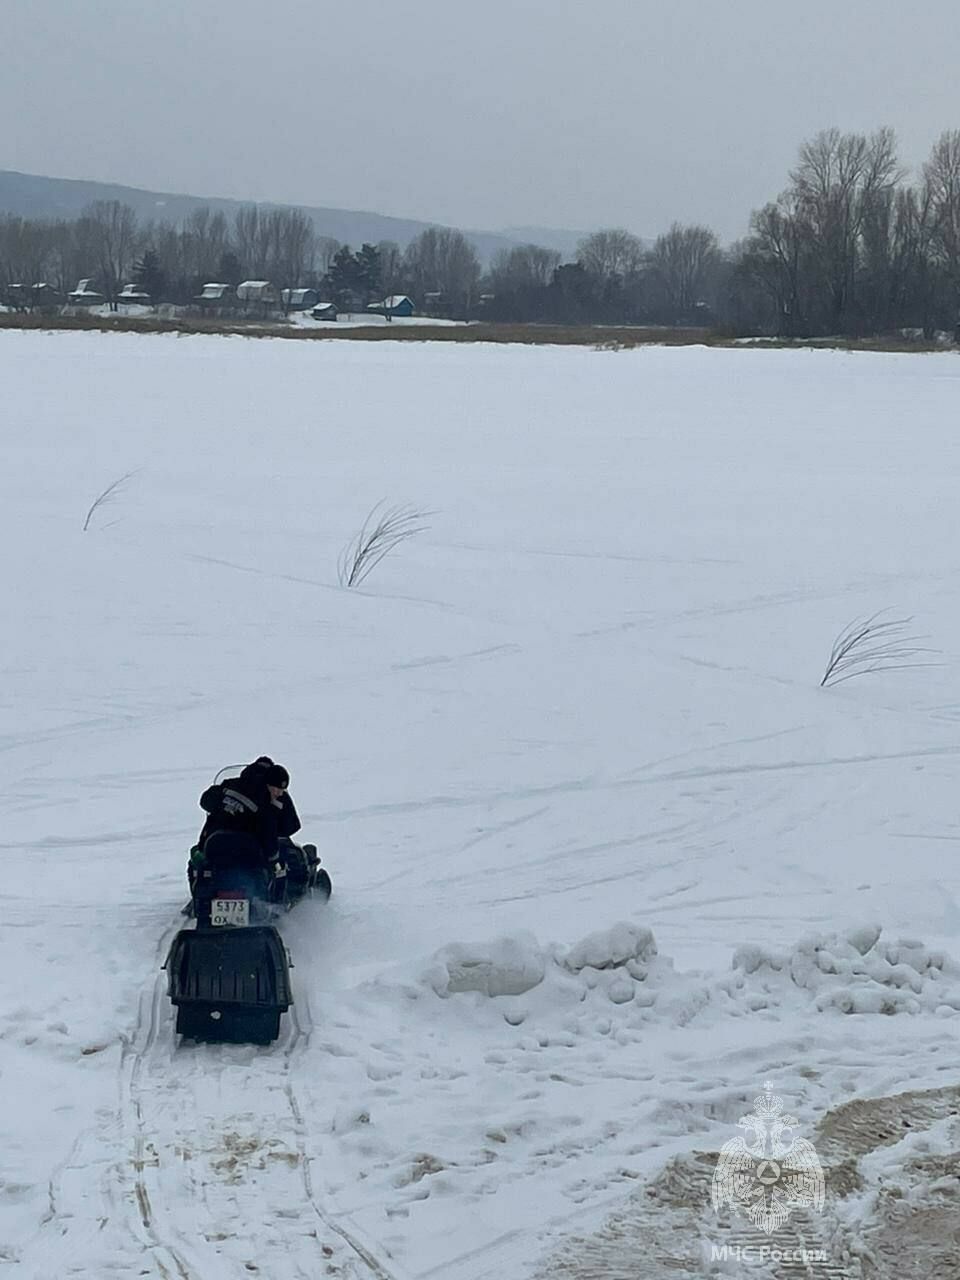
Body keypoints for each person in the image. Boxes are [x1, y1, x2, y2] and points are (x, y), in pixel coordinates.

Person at [195, 756, 301, 868]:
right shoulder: (267, 803)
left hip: (212, 845)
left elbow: (205, 801)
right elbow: (283, 828)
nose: (279, 793)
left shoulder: (229, 784)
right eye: (277, 789)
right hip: (248, 855)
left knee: (197, 861)